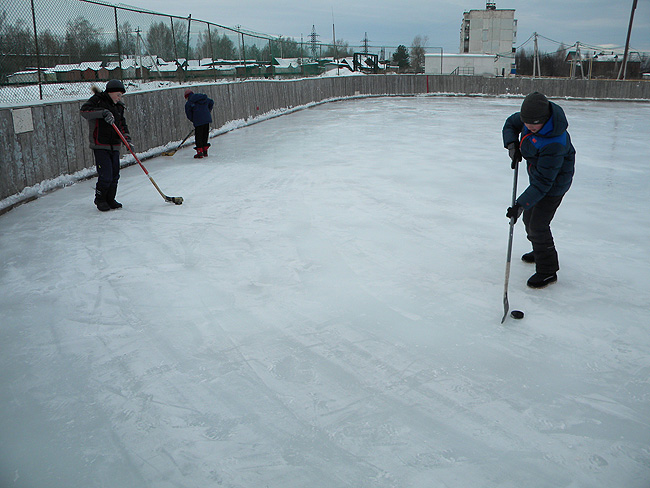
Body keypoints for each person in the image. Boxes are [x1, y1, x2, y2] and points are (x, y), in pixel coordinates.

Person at [502, 92, 576, 288]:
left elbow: (544, 183)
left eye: (535, 124)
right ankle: (539, 249)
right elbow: (511, 124)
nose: (530, 127)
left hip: (554, 185)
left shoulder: (555, 142)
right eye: (527, 123)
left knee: (538, 224)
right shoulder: (529, 119)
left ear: (545, 119)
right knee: (529, 219)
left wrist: (519, 205)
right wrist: (512, 145)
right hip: (539, 178)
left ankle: (548, 270)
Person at [80, 79, 133, 211]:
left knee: (115, 175)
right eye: (118, 95)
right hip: (100, 144)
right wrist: (102, 113)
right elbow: (84, 112)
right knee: (106, 175)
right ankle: (100, 199)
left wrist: (127, 139)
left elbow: (122, 124)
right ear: (110, 92)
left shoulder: (119, 106)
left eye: (121, 95)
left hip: (114, 144)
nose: (120, 98)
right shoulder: (98, 100)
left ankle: (110, 199)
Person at [184, 88, 214, 159]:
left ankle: (200, 152)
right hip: (206, 119)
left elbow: (188, 114)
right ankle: (205, 151)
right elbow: (211, 102)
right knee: (205, 134)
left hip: (198, 120)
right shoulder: (203, 98)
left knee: (199, 136)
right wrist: (207, 111)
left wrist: (193, 119)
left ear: (187, 97)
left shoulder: (189, 103)